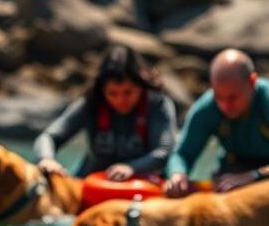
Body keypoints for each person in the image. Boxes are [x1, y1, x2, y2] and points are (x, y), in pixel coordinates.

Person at [165, 48, 269, 197]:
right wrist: (178, 174)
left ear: (252, 82)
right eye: (219, 96)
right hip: (233, 173)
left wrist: (255, 175)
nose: (226, 106)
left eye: (233, 98)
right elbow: (183, 154)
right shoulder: (207, 108)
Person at [34, 45, 177, 182]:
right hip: (93, 181)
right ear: (102, 90)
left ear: (141, 86)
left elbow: (162, 152)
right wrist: (47, 159)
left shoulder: (157, 103)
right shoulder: (92, 101)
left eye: (128, 92)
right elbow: (49, 137)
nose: (120, 100)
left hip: (142, 186)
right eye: (112, 93)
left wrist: (131, 168)